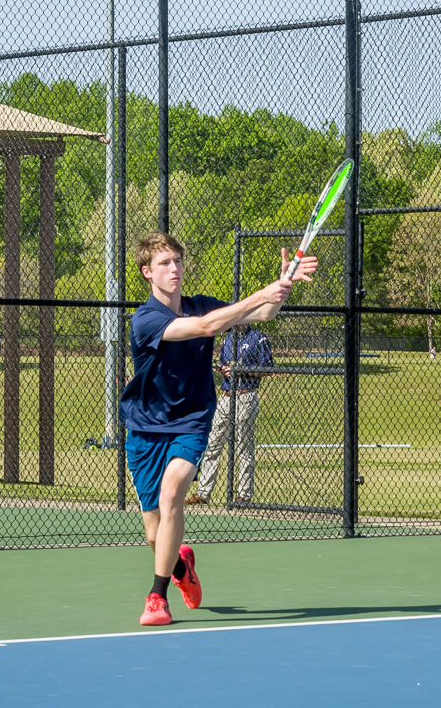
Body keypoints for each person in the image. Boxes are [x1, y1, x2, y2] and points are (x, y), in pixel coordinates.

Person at [118, 231, 316, 626]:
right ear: (147, 273)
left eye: (177, 261)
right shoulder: (146, 320)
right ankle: (180, 568)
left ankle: (157, 598)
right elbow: (207, 327)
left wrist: (284, 283)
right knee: (155, 536)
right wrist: (261, 292)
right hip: (145, 428)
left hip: (191, 420)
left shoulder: (201, 304)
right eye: (164, 263)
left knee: (174, 491)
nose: (174, 269)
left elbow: (262, 315)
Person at [185, 324, 274, 507]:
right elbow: (222, 362)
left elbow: (268, 368)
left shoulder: (258, 338)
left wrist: (242, 370)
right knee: (213, 444)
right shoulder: (228, 338)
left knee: (243, 446)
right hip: (226, 396)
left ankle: (244, 495)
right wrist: (223, 369)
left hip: (246, 394)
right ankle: (203, 493)